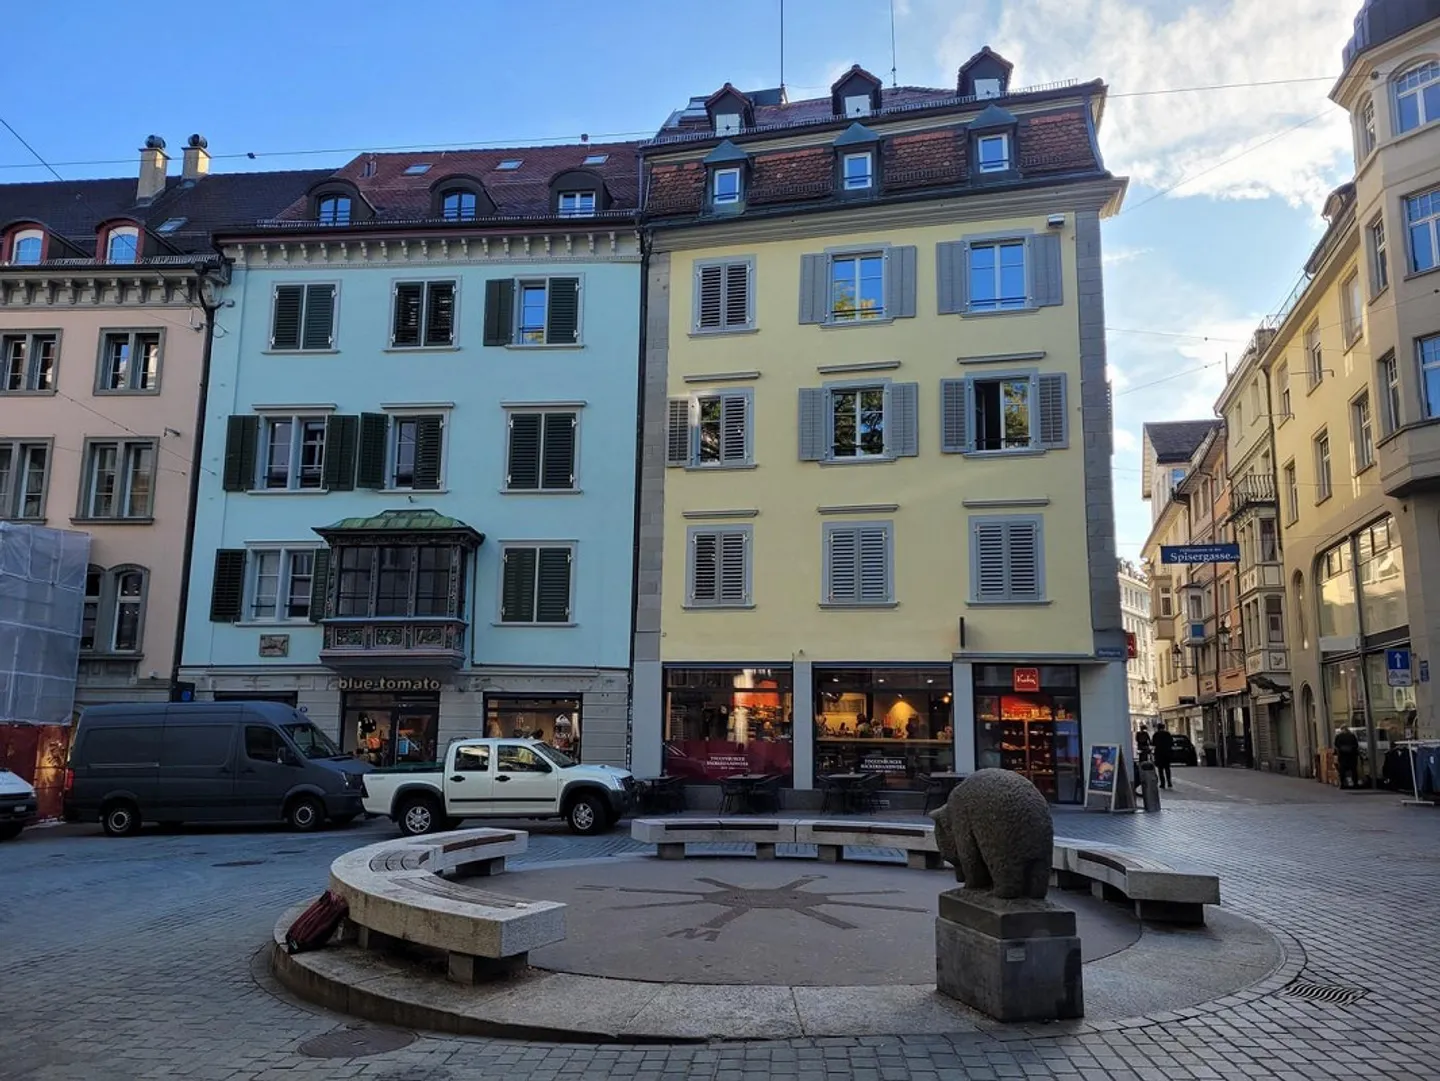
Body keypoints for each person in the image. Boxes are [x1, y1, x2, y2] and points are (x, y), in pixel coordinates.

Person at [1151, 722, 1174, 789]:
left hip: (1159, 754)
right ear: (1163, 727)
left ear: (1158, 728)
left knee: (1160, 769)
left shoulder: (1156, 734)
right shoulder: (1167, 734)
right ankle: (1169, 782)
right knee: (1167, 768)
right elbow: (1171, 742)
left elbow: (1153, 743)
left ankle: (1162, 783)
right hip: (1167, 753)